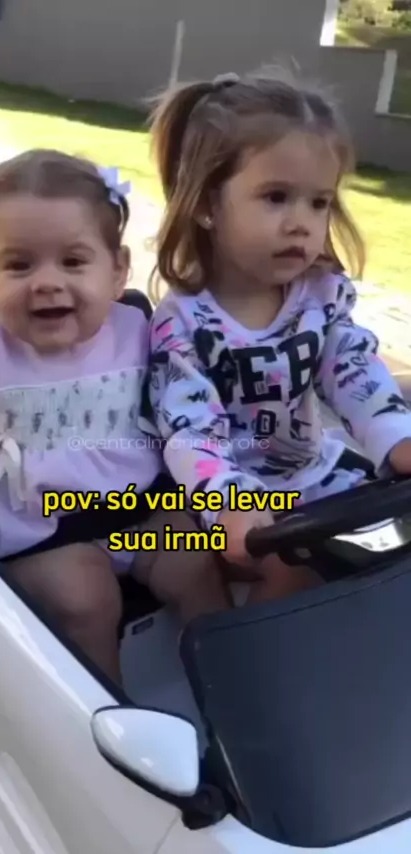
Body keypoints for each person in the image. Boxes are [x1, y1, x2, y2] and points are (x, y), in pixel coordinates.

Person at [0, 149, 229, 684]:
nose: (46, 282)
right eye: (19, 265)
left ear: (117, 271)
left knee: (197, 560)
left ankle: (231, 692)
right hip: (39, 529)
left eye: (73, 262)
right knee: (86, 599)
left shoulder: (140, 330)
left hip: (138, 510)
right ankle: (111, 715)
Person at [140, 65, 411, 602]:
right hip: (226, 501)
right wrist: (230, 505)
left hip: (315, 477)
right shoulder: (183, 324)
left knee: (393, 546)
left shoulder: (321, 295)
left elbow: (354, 372)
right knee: (292, 572)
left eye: (319, 202)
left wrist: (397, 438)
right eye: (276, 197)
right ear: (206, 204)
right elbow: (192, 432)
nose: (301, 223)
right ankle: (254, 656)